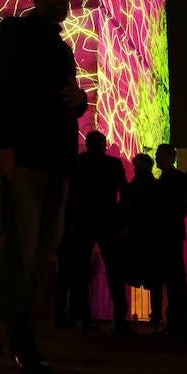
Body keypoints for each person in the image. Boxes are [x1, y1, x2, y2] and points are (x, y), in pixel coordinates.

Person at [0, 0, 89, 374]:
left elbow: (70, 98)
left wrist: (82, 100)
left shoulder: (63, 48)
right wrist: (1, 144)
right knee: (24, 249)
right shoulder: (14, 31)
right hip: (25, 157)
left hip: (59, 159)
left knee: (38, 250)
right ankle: (22, 340)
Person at [54, 130, 130, 335]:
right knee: (113, 273)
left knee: (81, 273)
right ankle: (119, 318)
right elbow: (125, 194)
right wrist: (122, 222)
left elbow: (67, 193)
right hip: (106, 223)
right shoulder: (113, 164)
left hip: (83, 224)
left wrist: (70, 221)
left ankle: (83, 317)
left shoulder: (79, 163)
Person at [153, 143, 187, 337]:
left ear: (170, 156)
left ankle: (178, 322)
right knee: (173, 279)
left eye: (161, 155)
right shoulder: (170, 178)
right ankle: (177, 321)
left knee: (174, 278)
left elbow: (178, 206)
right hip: (170, 233)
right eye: (157, 155)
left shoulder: (173, 178)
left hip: (170, 233)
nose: (157, 158)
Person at [122, 151, 161, 330]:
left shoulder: (135, 186)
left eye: (137, 164)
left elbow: (126, 209)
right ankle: (156, 315)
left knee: (130, 274)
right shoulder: (154, 185)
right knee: (154, 280)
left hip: (137, 237)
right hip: (151, 238)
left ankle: (122, 315)